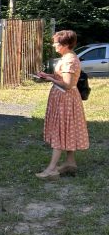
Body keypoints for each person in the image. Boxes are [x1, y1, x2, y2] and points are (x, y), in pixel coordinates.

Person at [36, 30, 89, 179]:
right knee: (66, 129)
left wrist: (51, 80)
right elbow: (62, 77)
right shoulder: (66, 57)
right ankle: (70, 163)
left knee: (60, 130)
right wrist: (48, 76)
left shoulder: (70, 60)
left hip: (66, 99)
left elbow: (67, 84)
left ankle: (52, 169)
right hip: (62, 98)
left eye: (56, 43)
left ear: (65, 44)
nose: (54, 45)